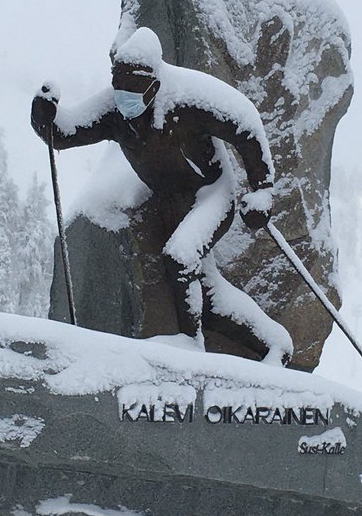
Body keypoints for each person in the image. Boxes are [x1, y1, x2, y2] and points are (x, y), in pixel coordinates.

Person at [31, 27, 292, 363]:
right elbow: (66, 133)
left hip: (211, 193)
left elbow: (245, 124)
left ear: (154, 86)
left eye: (133, 92)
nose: (124, 99)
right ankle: (274, 344)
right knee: (206, 297)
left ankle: (191, 347)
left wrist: (262, 190)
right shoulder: (115, 110)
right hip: (172, 202)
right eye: (119, 89)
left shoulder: (188, 98)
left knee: (181, 256)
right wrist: (44, 119)